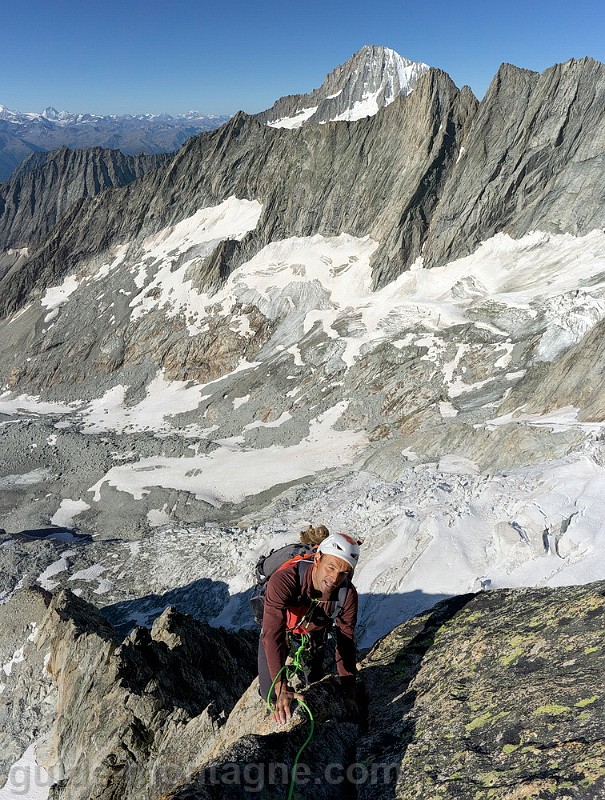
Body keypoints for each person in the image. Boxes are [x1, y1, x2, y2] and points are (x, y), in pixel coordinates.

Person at [258, 532, 360, 724]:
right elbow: (272, 634)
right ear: (318, 559)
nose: (334, 578)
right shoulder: (285, 580)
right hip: (283, 630)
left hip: (313, 633)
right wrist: (281, 687)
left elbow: (346, 641)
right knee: (270, 694)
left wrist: (349, 691)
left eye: (343, 573)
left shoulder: (347, 595)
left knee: (314, 680)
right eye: (330, 567)